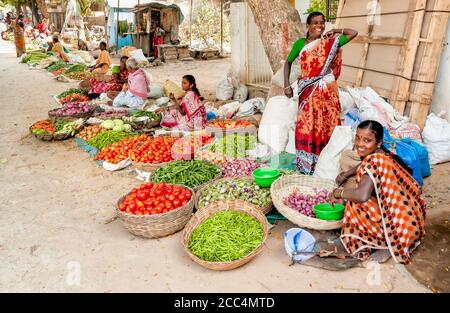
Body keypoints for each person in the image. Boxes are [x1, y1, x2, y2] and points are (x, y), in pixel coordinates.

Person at [328, 120, 426, 264]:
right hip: (411, 218)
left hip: (401, 228)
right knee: (355, 192)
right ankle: (378, 237)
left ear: (378, 143)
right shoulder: (380, 154)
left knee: (353, 204)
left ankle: (386, 245)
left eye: (367, 140)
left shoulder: (375, 160)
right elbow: (365, 164)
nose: (360, 144)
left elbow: (362, 196)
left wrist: (338, 192)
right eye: (358, 138)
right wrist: (347, 173)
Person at [284, 12, 357, 175]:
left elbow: (353, 33)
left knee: (328, 125)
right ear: (308, 25)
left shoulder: (329, 42)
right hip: (308, 92)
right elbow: (288, 62)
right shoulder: (300, 44)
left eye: (322, 22)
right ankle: (307, 163)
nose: (319, 25)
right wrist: (286, 85)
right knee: (307, 125)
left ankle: (326, 163)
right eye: (315, 22)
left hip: (328, 93)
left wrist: (337, 29)